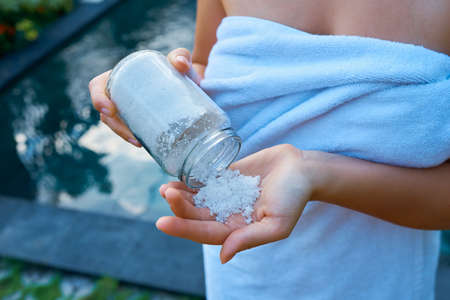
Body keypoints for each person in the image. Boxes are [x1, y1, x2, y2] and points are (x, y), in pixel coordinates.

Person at [89, 1, 450, 299]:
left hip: (378, 283)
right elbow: (203, 65)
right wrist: (148, 90)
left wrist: (315, 173)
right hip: (246, 275)